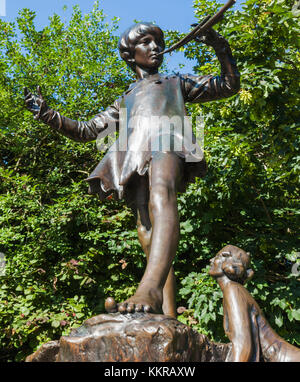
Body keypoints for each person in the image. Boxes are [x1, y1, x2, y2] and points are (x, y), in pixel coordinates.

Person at [24, 21, 240, 316]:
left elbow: (228, 85)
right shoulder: (123, 99)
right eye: (146, 42)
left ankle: (149, 286)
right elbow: (87, 130)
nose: (155, 47)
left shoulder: (176, 82)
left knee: (162, 194)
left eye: (157, 42)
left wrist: (220, 46)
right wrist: (49, 115)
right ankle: (165, 313)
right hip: (135, 155)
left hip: (168, 138)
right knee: (145, 228)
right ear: (130, 53)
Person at [209, 245, 300, 362]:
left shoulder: (233, 290)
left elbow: (243, 346)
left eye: (217, 257)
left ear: (229, 262)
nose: (211, 260)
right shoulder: (235, 289)